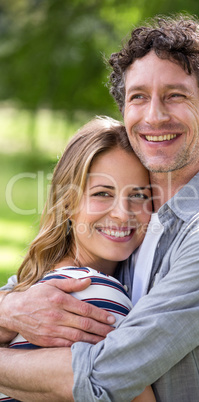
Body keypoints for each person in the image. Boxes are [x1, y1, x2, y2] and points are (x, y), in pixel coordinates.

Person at [0, 13, 199, 402]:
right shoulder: (134, 219)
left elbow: (102, 379)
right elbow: (26, 293)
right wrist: (10, 311)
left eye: (175, 95)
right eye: (138, 96)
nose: (154, 115)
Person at [0, 116, 155, 402]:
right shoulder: (90, 292)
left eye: (138, 195)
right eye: (102, 193)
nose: (122, 213)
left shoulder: (39, 280)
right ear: (68, 204)